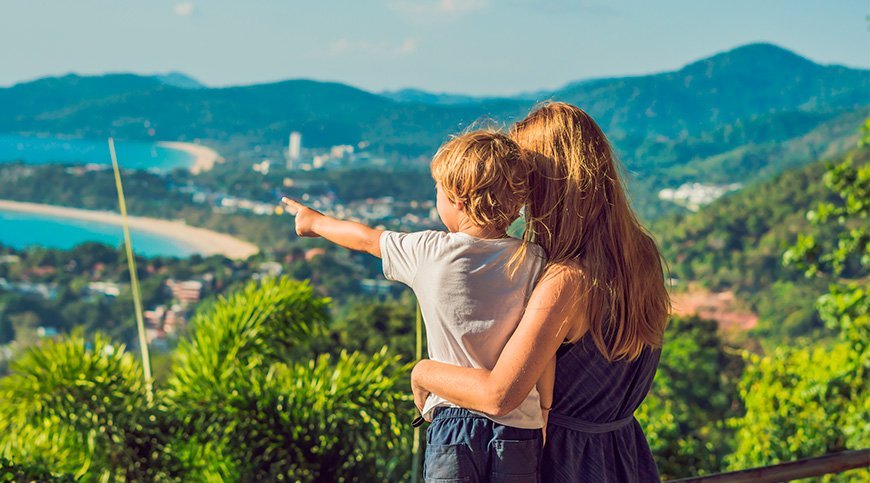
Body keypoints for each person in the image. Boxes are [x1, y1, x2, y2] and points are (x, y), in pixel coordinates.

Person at [410, 102, 671, 482]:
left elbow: (499, 395)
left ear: (545, 185)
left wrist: (423, 373)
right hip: (623, 457)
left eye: (521, 179)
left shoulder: (565, 281)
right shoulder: (640, 256)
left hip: (561, 462)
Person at [282, 130, 552, 482]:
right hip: (520, 425)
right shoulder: (534, 260)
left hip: (453, 421)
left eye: (437, 189)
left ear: (457, 198)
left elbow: (365, 239)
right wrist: (544, 409)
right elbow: (545, 346)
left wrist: (313, 221)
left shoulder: (429, 252)